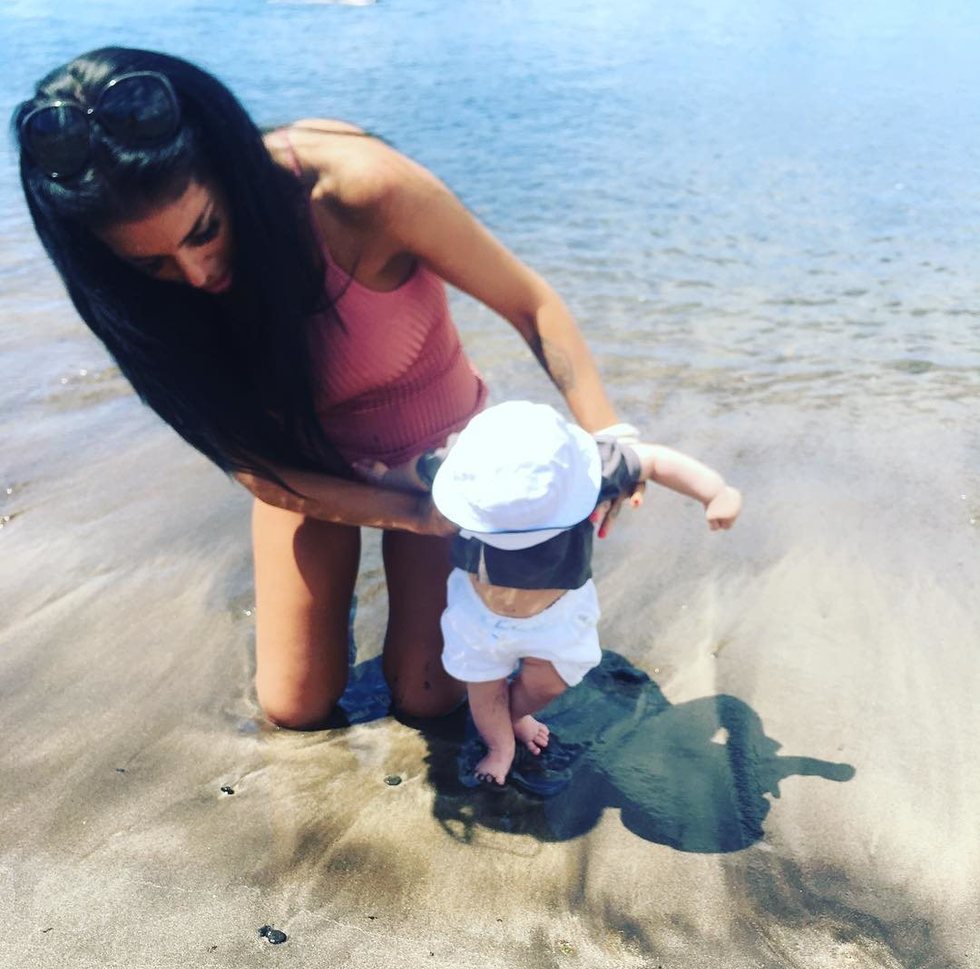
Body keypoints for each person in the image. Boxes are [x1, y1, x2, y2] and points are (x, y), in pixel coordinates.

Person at [12, 46, 637, 730]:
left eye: (206, 231)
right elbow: (258, 467)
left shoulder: (356, 190)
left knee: (428, 697)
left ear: (232, 170)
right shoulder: (127, 295)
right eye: (152, 261)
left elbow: (530, 302)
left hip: (441, 461)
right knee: (293, 706)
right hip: (304, 471)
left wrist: (608, 438)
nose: (195, 274)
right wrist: (404, 516)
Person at [361, 401, 742, 786]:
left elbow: (655, 461)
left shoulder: (586, 466)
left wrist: (716, 491)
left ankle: (512, 715)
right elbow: (413, 471)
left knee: (550, 680)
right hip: (478, 612)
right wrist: (378, 475)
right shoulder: (467, 464)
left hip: (556, 613)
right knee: (482, 682)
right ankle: (500, 745)